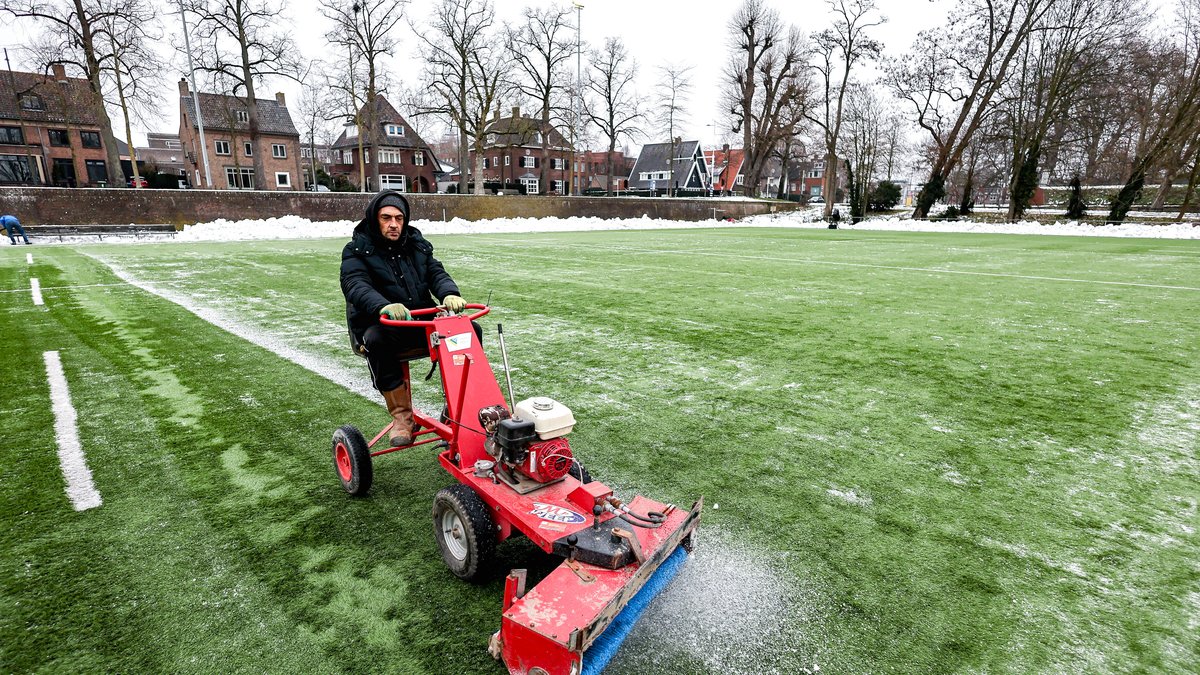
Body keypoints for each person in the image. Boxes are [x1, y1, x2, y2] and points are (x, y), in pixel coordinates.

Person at [340, 190, 472, 447]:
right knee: (376, 339)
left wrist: (449, 293)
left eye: (399, 218)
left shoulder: (417, 244)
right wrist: (383, 305)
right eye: (386, 218)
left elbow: (436, 273)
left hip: (422, 322)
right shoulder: (356, 250)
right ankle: (402, 417)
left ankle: (456, 409)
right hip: (385, 325)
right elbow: (355, 285)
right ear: (374, 219)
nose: (393, 224)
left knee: (469, 331)